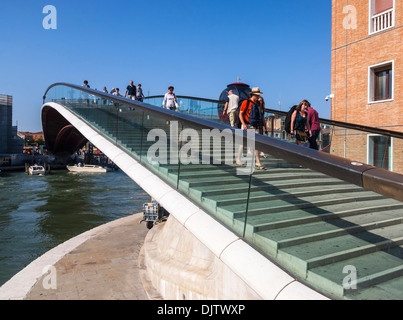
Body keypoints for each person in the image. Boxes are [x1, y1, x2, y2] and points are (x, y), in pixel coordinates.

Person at [237, 87, 267, 170]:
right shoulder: (246, 102)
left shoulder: (259, 104)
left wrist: (263, 126)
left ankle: (258, 162)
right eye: (257, 95)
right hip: (247, 125)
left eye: (258, 95)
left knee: (255, 143)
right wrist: (243, 124)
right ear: (253, 95)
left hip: (255, 125)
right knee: (243, 143)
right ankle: (238, 159)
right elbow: (240, 114)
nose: (258, 97)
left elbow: (261, 116)